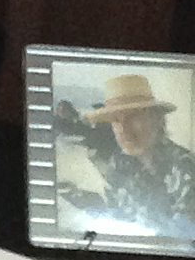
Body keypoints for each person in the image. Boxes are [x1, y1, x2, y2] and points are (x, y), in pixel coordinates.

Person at [56, 73, 195, 241]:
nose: (123, 129)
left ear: (158, 120)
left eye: (133, 117)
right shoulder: (118, 163)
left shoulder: (186, 166)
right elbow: (115, 217)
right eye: (116, 121)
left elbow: (183, 240)